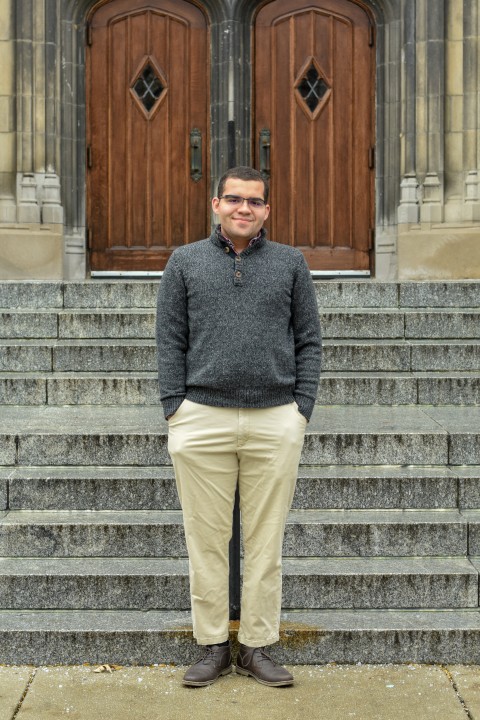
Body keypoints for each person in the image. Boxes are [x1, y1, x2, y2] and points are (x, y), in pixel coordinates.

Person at [156, 166, 322, 687]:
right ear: (215, 204)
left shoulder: (290, 263)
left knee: (265, 540)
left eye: (254, 202)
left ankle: (256, 645)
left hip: (275, 419)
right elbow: (169, 340)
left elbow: (309, 339)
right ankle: (211, 645)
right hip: (201, 417)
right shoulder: (184, 262)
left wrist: (301, 409)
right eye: (234, 200)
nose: (243, 209)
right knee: (205, 539)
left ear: (266, 210)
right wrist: (174, 406)